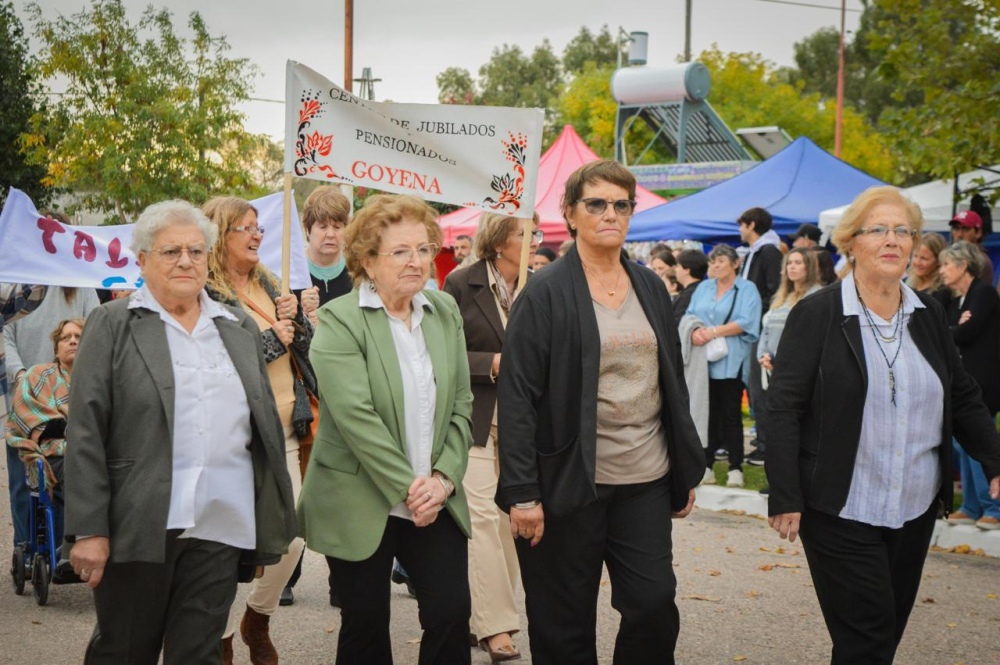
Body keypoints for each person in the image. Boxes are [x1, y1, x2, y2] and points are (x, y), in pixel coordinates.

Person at [766, 186, 1000, 664]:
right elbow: (784, 408)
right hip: (841, 504)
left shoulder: (928, 313)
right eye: (879, 230)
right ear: (851, 242)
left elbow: (960, 394)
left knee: (883, 632)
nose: (893, 240)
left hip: (912, 506)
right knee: (868, 634)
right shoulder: (818, 313)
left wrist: (994, 458)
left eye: (904, 231)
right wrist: (785, 492)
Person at [64, 199, 296, 665]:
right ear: (143, 259)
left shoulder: (236, 329)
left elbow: (261, 426)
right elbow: (86, 430)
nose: (186, 261)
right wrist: (89, 528)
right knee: (125, 650)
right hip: (140, 521)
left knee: (200, 653)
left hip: (222, 520)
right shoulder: (113, 325)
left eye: (195, 250)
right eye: (171, 251)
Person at [496, 160, 703, 665]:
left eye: (621, 204)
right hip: (567, 481)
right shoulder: (543, 293)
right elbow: (518, 396)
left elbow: (671, 382)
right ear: (569, 213)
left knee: (654, 604)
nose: (610, 213)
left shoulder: (651, 287)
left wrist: (684, 464)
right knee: (562, 621)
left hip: (645, 477)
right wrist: (523, 492)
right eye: (596, 203)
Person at [298, 194, 474, 665]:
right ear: (368, 261)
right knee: (366, 624)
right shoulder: (339, 321)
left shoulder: (443, 311)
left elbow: (461, 402)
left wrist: (443, 480)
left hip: (435, 498)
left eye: (422, 248)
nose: (416, 261)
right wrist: (411, 488)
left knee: (451, 612)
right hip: (361, 498)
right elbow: (357, 419)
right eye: (400, 251)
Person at [202, 196, 313, 665]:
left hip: (288, 423)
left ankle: (257, 617)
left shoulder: (271, 280)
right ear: (219, 235)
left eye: (258, 228)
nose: (256, 235)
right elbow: (216, 361)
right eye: (244, 228)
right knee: (231, 543)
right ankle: (224, 637)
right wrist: (271, 339)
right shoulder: (205, 293)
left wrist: (298, 319)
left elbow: (302, 348)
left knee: (294, 536)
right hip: (238, 435)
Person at [443, 211, 540, 662]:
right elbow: (444, 352)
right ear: (500, 241)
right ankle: (496, 626)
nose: (536, 239)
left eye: (536, 231)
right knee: (480, 516)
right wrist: (490, 364)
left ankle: (478, 615)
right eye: (526, 232)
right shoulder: (461, 283)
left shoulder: (542, 285)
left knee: (509, 523)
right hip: (476, 418)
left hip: (528, 425)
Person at [5, 318, 84, 556]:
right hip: (56, 454)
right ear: (56, 348)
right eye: (65, 338)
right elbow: (23, 411)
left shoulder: (98, 377)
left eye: (78, 337)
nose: (72, 341)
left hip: (94, 450)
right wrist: (73, 428)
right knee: (80, 470)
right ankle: (73, 544)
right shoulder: (38, 376)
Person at [685, 245, 761, 486]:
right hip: (703, 360)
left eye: (720, 261)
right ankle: (705, 464)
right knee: (706, 414)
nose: (715, 265)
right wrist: (696, 330)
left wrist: (713, 332)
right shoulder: (704, 288)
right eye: (712, 262)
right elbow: (689, 314)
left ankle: (735, 466)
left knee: (730, 414)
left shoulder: (747, 289)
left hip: (732, 360)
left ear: (735, 263)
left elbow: (747, 322)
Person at [938, 241, 1000, 530]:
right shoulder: (958, 300)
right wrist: (955, 328)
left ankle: (993, 507)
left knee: (979, 439)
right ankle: (971, 505)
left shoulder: (983, 292)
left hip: (985, 383)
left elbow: (967, 333)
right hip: (965, 382)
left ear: (963, 265)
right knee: (961, 442)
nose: (942, 271)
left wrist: (956, 330)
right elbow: (946, 333)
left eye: (947, 265)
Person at [754, 249, 822, 469]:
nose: (792, 267)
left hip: (799, 373)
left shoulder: (817, 296)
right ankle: (779, 475)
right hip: (773, 370)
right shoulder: (782, 296)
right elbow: (766, 330)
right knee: (779, 427)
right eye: (789, 263)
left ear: (809, 267)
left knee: (798, 426)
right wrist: (763, 355)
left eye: (798, 263)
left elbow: (811, 338)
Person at [1, 283, 47, 549]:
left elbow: (87, 329)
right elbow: (5, 331)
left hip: (65, 390)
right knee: (21, 477)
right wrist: (22, 376)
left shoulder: (79, 282)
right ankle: (24, 544)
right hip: (23, 390)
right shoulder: (13, 281)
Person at [737, 207, 782, 469]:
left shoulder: (768, 251)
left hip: (761, 330)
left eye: (742, 225)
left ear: (752, 224)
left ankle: (766, 445)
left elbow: (772, 291)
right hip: (751, 327)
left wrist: (753, 313)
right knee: (753, 389)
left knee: (759, 388)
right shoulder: (757, 252)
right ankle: (762, 440)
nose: (740, 230)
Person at [299, 186, 353, 328]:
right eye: (323, 227)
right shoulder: (292, 273)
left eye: (337, 227)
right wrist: (301, 314)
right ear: (308, 229)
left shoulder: (356, 272)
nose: (330, 234)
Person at [949, 210, 994, 285]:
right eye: (956, 228)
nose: (959, 234)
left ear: (978, 233)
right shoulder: (951, 256)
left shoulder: (980, 260)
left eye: (965, 229)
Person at [906, 232, 949, 306]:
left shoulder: (942, 293)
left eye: (924, 258)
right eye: (915, 256)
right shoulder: (905, 284)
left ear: (939, 261)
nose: (917, 263)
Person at [673, 249, 708, 321]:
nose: (675, 269)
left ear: (687, 270)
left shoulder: (690, 294)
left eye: (678, 266)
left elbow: (679, 321)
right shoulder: (704, 289)